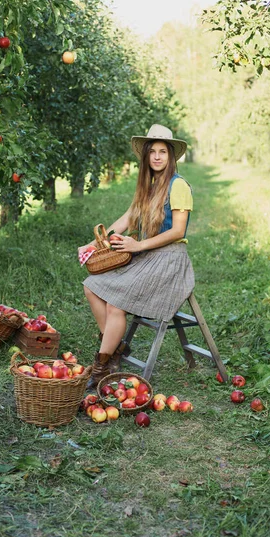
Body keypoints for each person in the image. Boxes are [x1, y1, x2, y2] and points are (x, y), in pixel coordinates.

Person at [78, 124, 195, 388]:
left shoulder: (179, 186)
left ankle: (100, 367)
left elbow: (177, 230)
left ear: (171, 156)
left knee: (115, 304)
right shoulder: (150, 186)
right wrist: (92, 244)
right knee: (92, 287)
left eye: (162, 152)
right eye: (152, 151)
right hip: (148, 255)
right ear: (145, 157)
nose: (156, 157)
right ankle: (117, 348)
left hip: (169, 260)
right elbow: (128, 219)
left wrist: (138, 246)